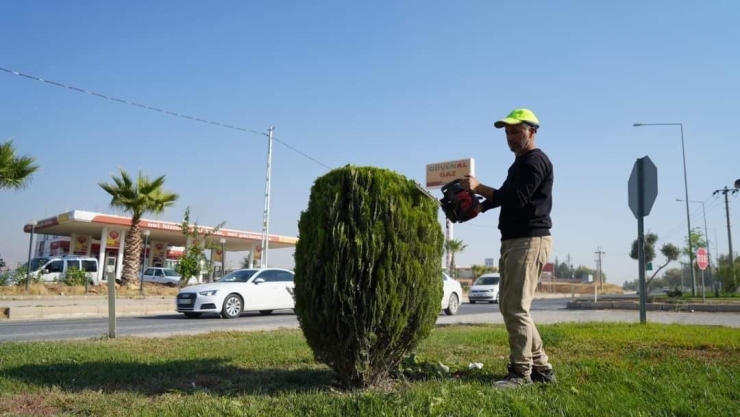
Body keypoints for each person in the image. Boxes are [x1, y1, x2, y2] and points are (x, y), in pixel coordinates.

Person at [460, 108, 556, 389]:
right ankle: (542, 368)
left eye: (516, 131)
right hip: (515, 240)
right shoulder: (520, 164)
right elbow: (504, 194)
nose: (511, 137)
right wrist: (480, 205)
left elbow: (515, 198)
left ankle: (521, 373)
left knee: (516, 308)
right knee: (511, 306)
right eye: (507, 132)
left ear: (532, 131)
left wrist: (479, 187)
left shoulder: (535, 162)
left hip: (529, 240)